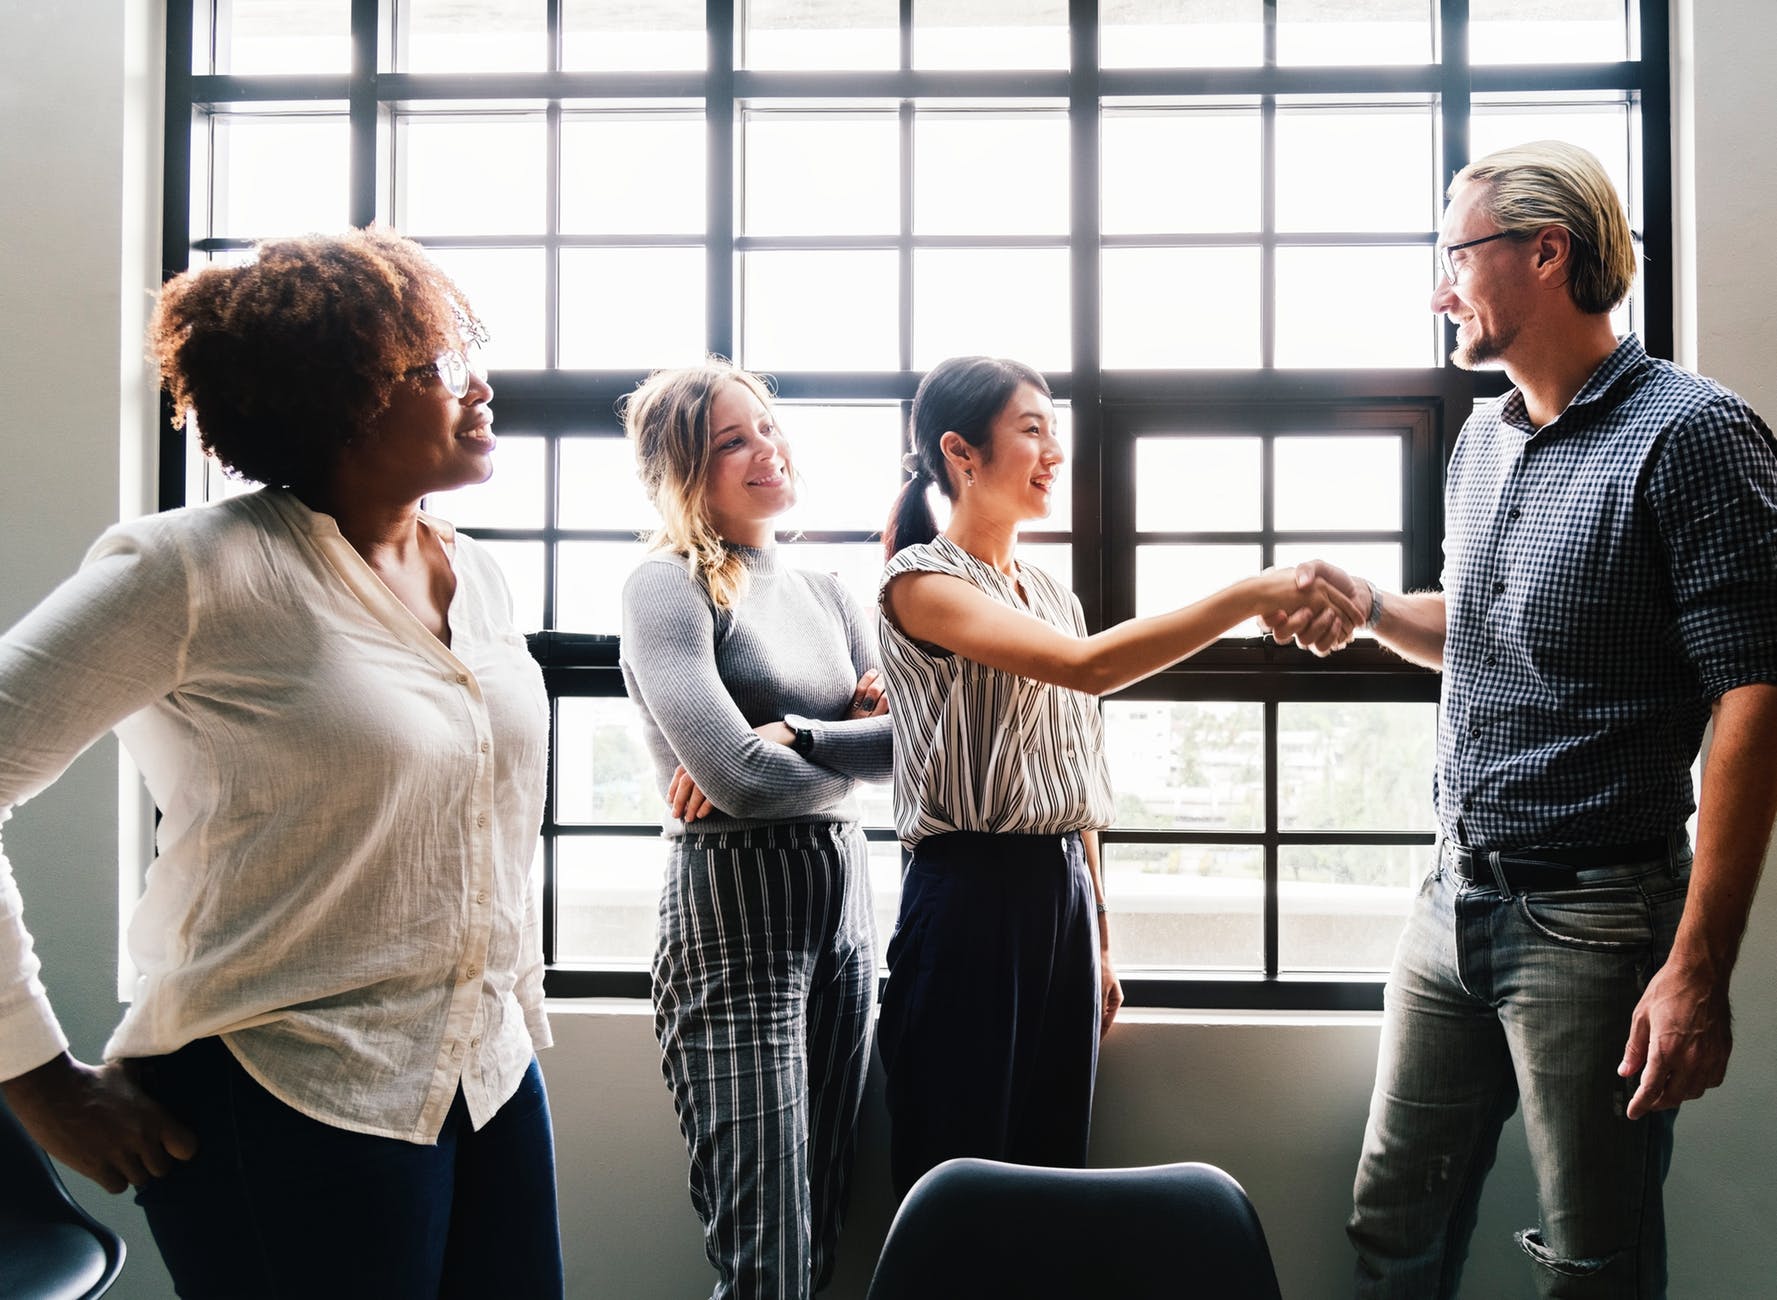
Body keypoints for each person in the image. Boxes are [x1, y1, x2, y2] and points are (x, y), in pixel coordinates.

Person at [0, 228, 563, 1298]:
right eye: (434, 367)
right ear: (337, 396)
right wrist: (33, 1080)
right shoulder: (189, 570)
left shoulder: (475, 576)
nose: (478, 386)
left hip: (485, 1076)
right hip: (281, 1094)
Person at [1264, 141, 1777, 1298]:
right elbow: (1493, 627)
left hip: (1596, 921)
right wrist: (1375, 610)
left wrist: (1697, 969)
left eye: (1454, 256)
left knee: (1592, 1262)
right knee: (1390, 1230)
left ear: (1546, 253)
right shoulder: (1483, 437)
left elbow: (1755, 693)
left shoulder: (1693, 435)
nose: (1438, 287)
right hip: (1450, 902)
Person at [875, 354, 1363, 1197]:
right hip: (966, 903)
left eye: (1052, 430)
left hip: (1057, 895)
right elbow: (1088, 670)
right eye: (1031, 430)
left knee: (1050, 1169)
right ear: (961, 453)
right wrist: (1247, 594)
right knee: (958, 1181)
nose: (1053, 451)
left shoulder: (1049, 593)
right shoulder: (919, 583)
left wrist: (1098, 933)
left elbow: (1074, 770)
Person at [618, 360, 894, 1300]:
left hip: (842, 906)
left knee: (824, 1218)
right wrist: (842, 747)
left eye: (765, 428)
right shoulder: (667, 587)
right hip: (730, 916)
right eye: (730, 440)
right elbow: (733, 778)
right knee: (765, 1250)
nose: (763, 450)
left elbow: (920, 751)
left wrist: (801, 735)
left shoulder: (826, 591)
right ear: (680, 470)